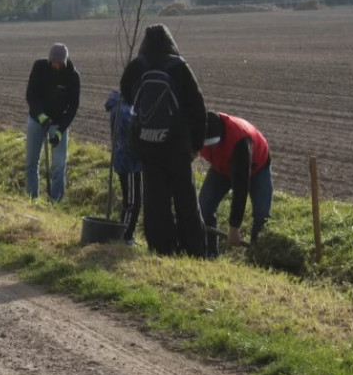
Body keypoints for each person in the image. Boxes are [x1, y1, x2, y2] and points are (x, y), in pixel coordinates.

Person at [120, 24, 207, 257]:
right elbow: (197, 107)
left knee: (155, 199)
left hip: (147, 145)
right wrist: (196, 144)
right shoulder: (179, 67)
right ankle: (194, 250)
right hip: (177, 146)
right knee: (186, 199)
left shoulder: (137, 66)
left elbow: (126, 95)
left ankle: (161, 248)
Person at [198, 111, 273, 253]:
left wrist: (234, 227)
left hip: (256, 168)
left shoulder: (240, 142)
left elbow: (240, 188)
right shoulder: (195, 130)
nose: (209, 147)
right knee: (204, 206)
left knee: (261, 213)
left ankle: (257, 255)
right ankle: (209, 253)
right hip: (221, 167)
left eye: (213, 144)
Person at [24, 43, 81, 202]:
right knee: (31, 162)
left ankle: (55, 201)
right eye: (53, 62)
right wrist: (41, 116)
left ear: (65, 61)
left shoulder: (73, 76)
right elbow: (31, 95)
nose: (56, 65)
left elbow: (73, 107)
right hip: (37, 120)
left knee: (59, 165)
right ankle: (31, 198)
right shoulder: (39, 67)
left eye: (59, 63)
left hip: (58, 122)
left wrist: (60, 131)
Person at [105, 89, 143, 244]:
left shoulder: (122, 107)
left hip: (128, 160)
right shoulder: (125, 111)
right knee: (132, 202)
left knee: (133, 200)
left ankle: (125, 234)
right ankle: (125, 236)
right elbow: (132, 137)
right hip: (129, 162)